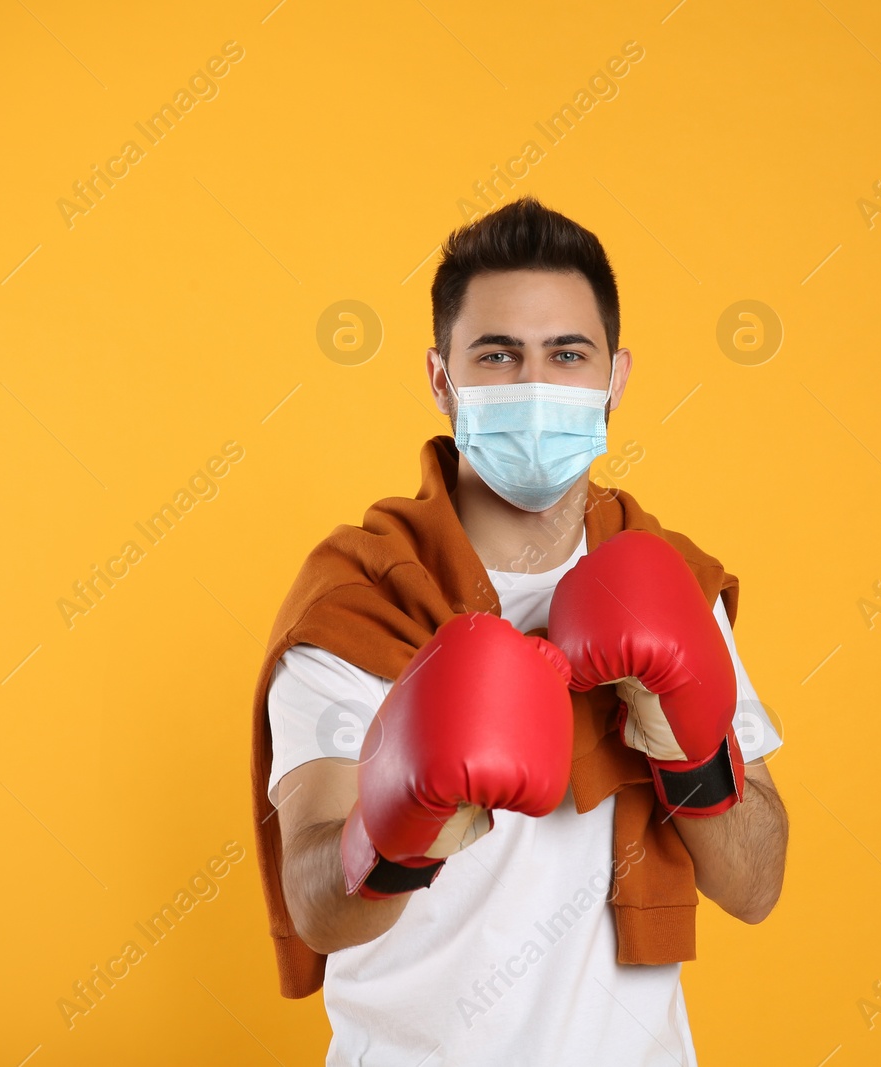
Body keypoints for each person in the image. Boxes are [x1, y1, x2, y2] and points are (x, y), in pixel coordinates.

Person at [250, 195, 789, 1065]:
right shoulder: (359, 600)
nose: (534, 385)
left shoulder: (672, 582)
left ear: (614, 378)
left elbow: (756, 883)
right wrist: (396, 824)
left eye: (566, 354)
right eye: (498, 355)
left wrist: (691, 755)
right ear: (441, 377)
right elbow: (316, 903)